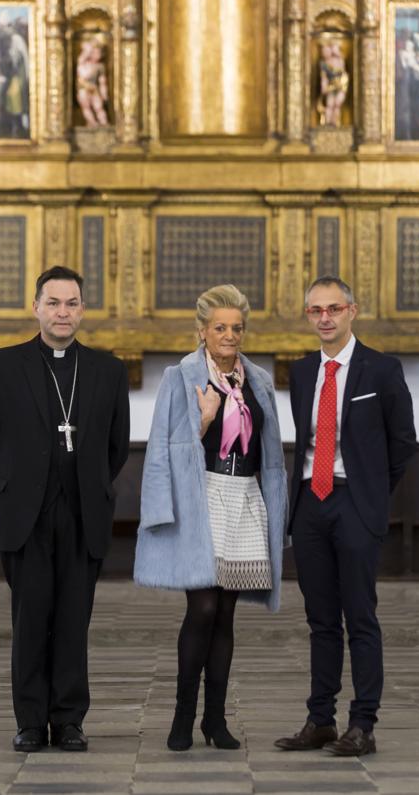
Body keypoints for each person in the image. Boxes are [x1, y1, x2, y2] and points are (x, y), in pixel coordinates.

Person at [0, 266, 129, 753]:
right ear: (35, 306)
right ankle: (31, 721)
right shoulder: (0, 366)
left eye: (72, 303)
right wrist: (8, 488)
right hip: (25, 517)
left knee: (74, 620)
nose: (63, 312)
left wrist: (90, 484)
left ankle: (70, 720)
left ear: (83, 309)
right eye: (54, 302)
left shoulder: (107, 369)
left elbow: (115, 447)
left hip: (82, 514)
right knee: (31, 619)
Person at [134, 284, 288, 752]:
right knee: (200, 608)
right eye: (220, 327)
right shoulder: (179, 377)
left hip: (243, 497)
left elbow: (271, 451)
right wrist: (203, 421)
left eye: (237, 328)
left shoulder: (257, 380)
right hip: (200, 496)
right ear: (202, 331)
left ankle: (215, 721)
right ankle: (182, 717)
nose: (230, 335)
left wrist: (277, 511)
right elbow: (162, 445)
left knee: (225, 615)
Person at [274, 275, 416, 757]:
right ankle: (320, 721)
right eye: (316, 310)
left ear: (352, 311)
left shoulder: (381, 369)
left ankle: (363, 724)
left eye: (334, 308)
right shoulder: (300, 371)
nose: (325, 318)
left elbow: (402, 443)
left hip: (355, 502)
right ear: (308, 316)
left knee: (360, 616)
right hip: (311, 505)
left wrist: (372, 495)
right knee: (320, 620)